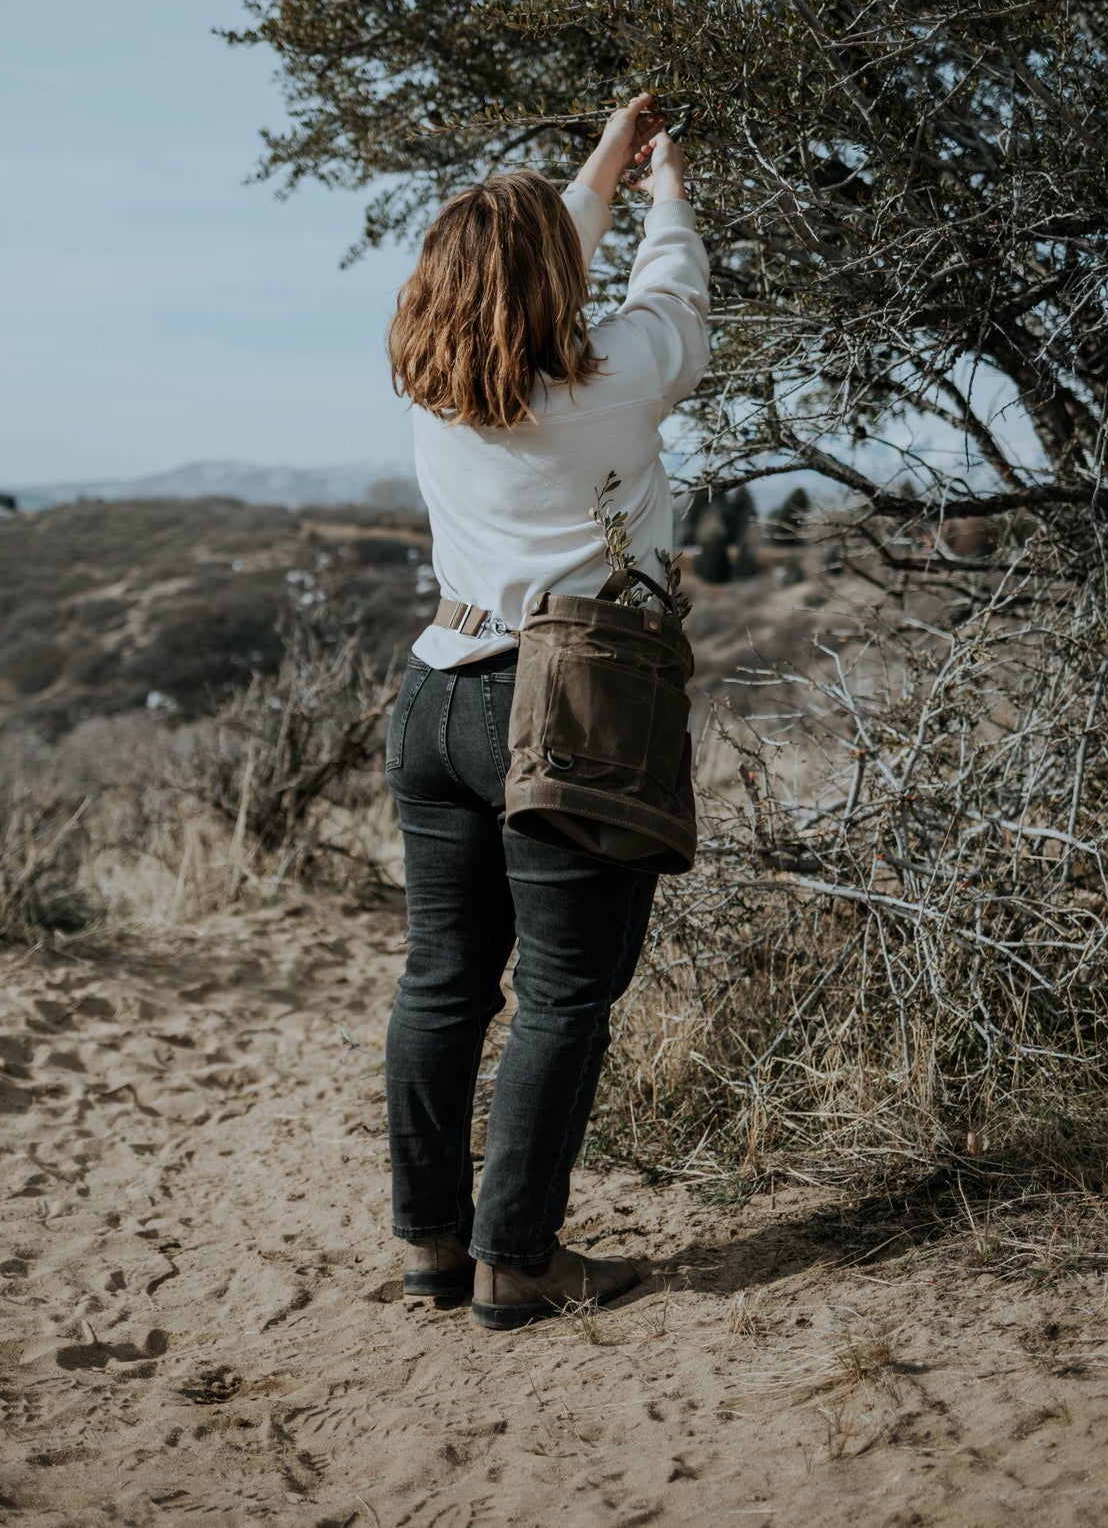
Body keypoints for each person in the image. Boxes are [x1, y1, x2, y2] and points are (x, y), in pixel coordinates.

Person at [383, 94, 710, 1330]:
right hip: (561, 702)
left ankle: (430, 1245)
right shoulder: (611, 375)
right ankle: (515, 1262)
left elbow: (521, 263)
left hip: (435, 690)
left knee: (441, 981)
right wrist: (662, 189)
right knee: (567, 990)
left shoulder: (430, 376)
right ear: (546, 278)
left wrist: (603, 161)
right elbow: (672, 299)